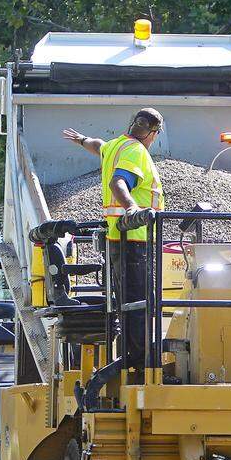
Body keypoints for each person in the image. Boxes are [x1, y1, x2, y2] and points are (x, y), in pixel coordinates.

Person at [62, 108, 165, 374]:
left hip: (118, 241)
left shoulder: (116, 145)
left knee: (130, 304)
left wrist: (82, 140)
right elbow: (118, 183)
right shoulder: (135, 151)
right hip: (135, 240)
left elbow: (99, 146)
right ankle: (144, 365)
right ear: (153, 133)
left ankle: (136, 359)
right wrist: (132, 208)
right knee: (140, 304)